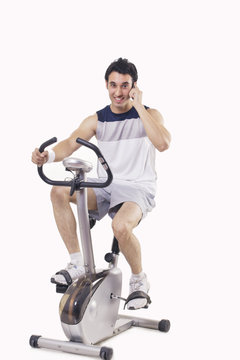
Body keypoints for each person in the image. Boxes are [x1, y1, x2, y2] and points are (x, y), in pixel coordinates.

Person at [32, 58, 171, 310]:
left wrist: (138, 107)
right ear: (106, 85)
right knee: (59, 191)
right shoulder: (97, 119)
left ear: (134, 87)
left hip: (137, 188)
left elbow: (162, 143)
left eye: (125, 86)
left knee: (120, 227)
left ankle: (139, 280)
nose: (118, 92)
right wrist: (48, 155)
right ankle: (76, 263)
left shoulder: (150, 115)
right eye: (113, 85)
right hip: (105, 185)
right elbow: (69, 143)